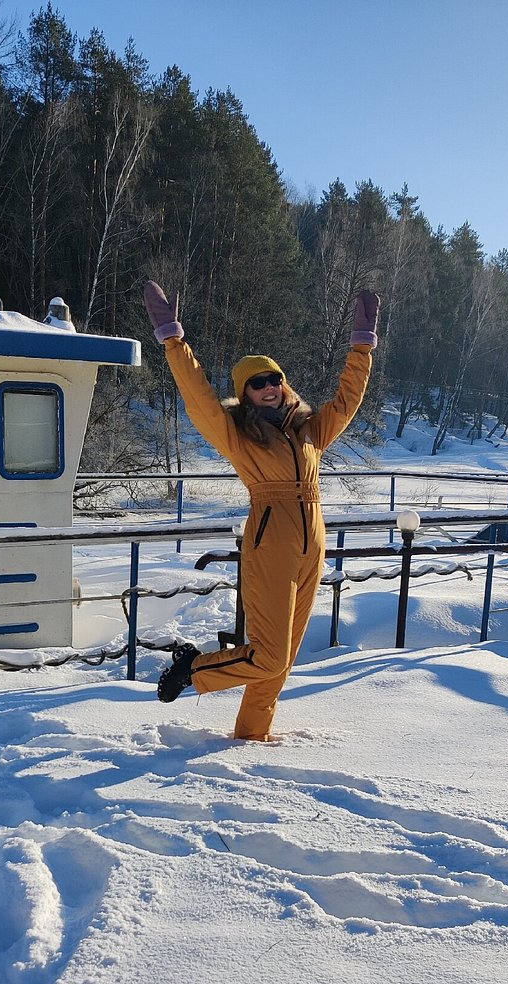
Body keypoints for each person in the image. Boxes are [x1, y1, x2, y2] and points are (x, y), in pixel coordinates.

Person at [143, 280, 379, 742]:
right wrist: (174, 340)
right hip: (270, 544)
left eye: (275, 379)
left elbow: (348, 401)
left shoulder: (308, 430)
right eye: (258, 383)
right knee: (267, 655)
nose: (270, 388)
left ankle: (251, 737)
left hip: (313, 545)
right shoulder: (238, 436)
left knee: (282, 659)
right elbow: (199, 399)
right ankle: (195, 667)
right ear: (245, 394)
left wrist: (362, 349)